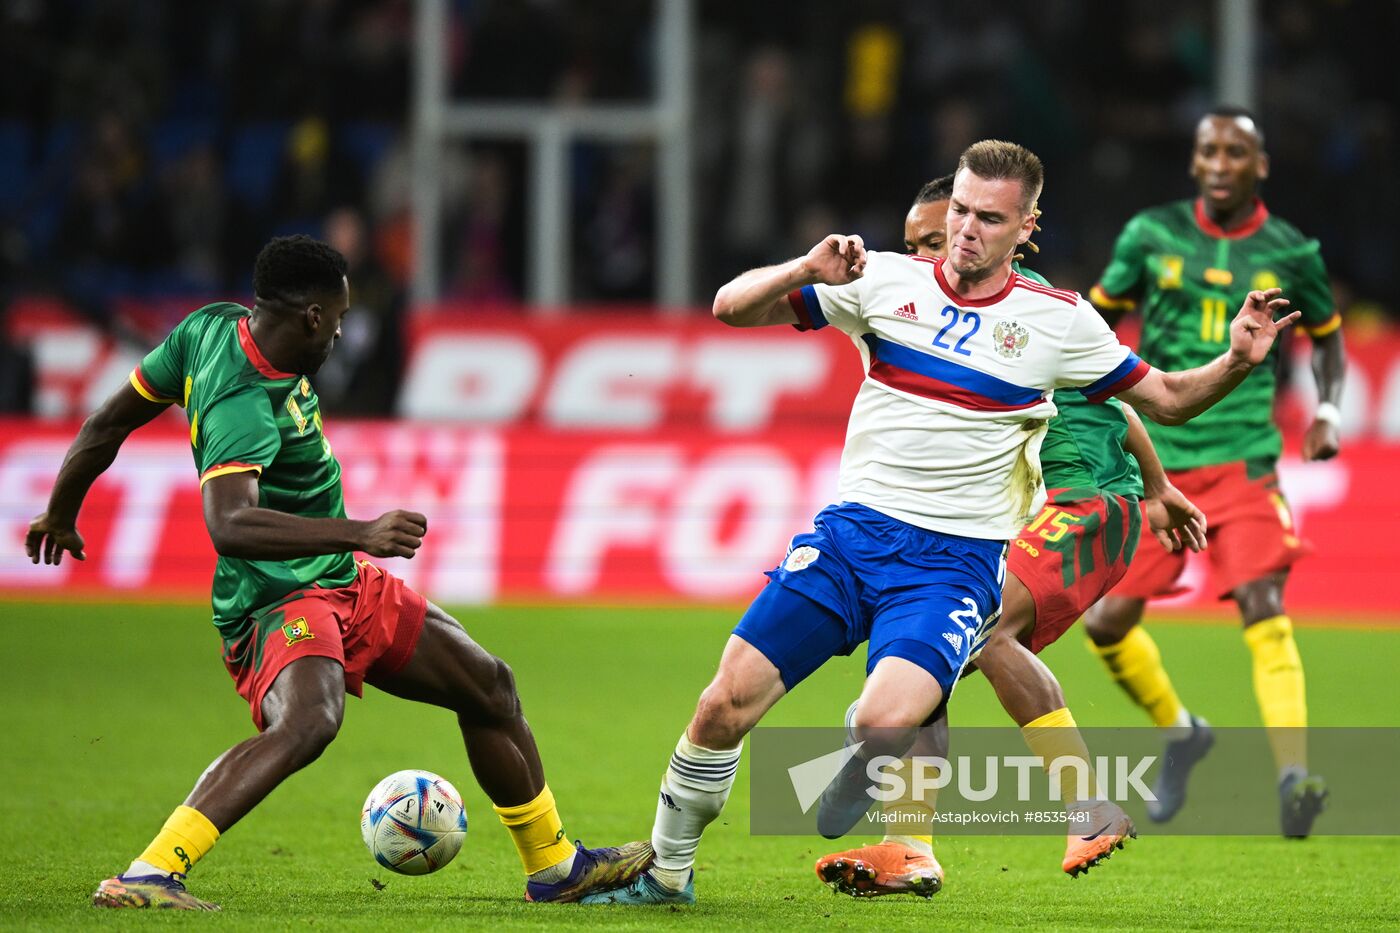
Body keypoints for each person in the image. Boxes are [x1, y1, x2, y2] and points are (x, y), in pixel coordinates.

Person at [584, 139, 1298, 906]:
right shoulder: (882, 281)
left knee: (887, 723)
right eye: (959, 209)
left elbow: (1161, 398)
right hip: (846, 539)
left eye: (989, 218)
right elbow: (730, 307)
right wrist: (803, 270)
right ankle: (667, 872)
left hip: (950, 565)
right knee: (723, 703)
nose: (966, 230)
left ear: (1027, 226)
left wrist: (1237, 362)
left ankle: (913, 825)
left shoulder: (1059, 323)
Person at [25, 236, 652, 911]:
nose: (345, 332)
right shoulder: (242, 398)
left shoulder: (207, 327)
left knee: (489, 685)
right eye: (341, 317)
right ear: (312, 318)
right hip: (276, 595)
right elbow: (230, 525)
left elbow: (108, 421)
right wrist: (363, 530)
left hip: (340, 578)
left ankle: (555, 866)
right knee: (308, 723)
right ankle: (152, 871)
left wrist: (61, 511)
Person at [811, 176, 1207, 898]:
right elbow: (1116, 398)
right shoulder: (939, 311)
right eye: (916, 245)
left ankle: (1088, 806)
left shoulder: (1034, 312)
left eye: (937, 238)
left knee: (984, 633)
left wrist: (1151, 489)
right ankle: (909, 845)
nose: (932, 254)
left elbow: (1129, 395)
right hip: (1057, 511)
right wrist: (1159, 488)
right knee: (935, 661)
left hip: (1083, 502)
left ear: (1009, 232)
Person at [1084, 107, 1345, 838]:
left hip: (1244, 460)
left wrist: (1327, 409)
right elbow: (1093, 326)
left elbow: (1328, 339)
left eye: (1237, 151)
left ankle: (1295, 777)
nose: (1222, 162)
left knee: (1262, 600)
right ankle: (1181, 732)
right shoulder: (1149, 235)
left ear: (1260, 164)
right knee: (1107, 622)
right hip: (1160, 463)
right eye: (1210, 150)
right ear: (1194, 161)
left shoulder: (1293, 251)